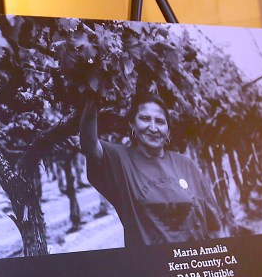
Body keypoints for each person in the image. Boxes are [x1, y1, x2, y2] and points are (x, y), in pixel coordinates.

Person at [79, 94, 226, 247]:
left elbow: (214, 224)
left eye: (160, 122)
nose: (153, 128)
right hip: (150, 265)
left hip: (192, 264)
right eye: (145, 119)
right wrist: (93, 96)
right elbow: (89, 143)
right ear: (132, 124)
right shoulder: (120, 160)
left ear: (168, 131)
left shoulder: (186, 164)